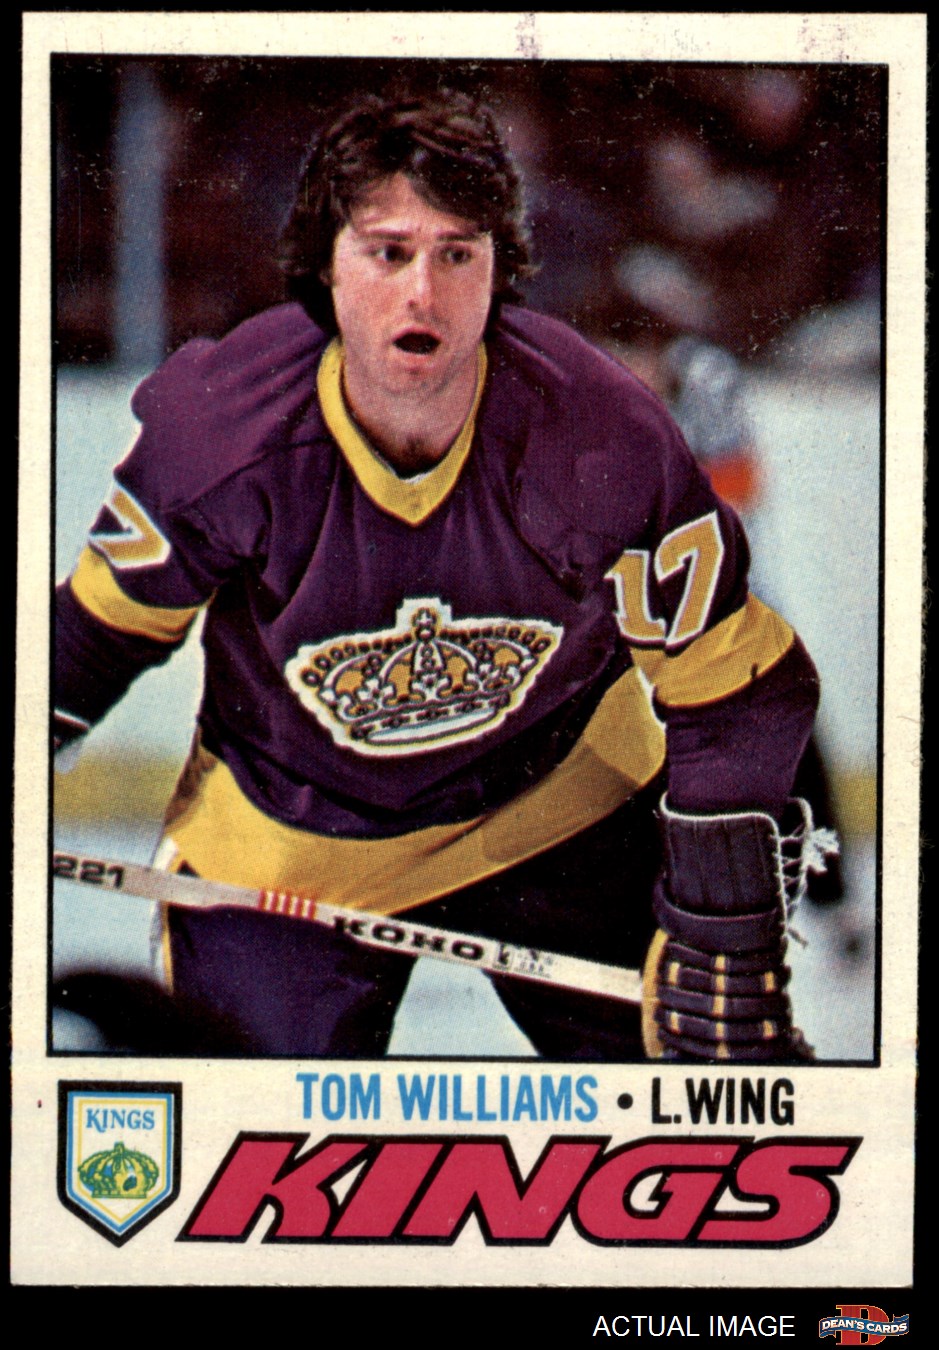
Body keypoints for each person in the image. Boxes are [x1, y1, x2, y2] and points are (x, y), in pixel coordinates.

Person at [54, 87, 829, 1061]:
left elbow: (737, 683)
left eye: (458, 254)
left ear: (502, 269)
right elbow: (90, 641)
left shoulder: (599, 434)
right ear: (324, 266)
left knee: (716, 1100)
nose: (422, 293)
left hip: (563, 814)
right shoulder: (222, 432)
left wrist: (722, 919)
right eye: (388, 252)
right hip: (286, 856)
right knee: (242, 1135)